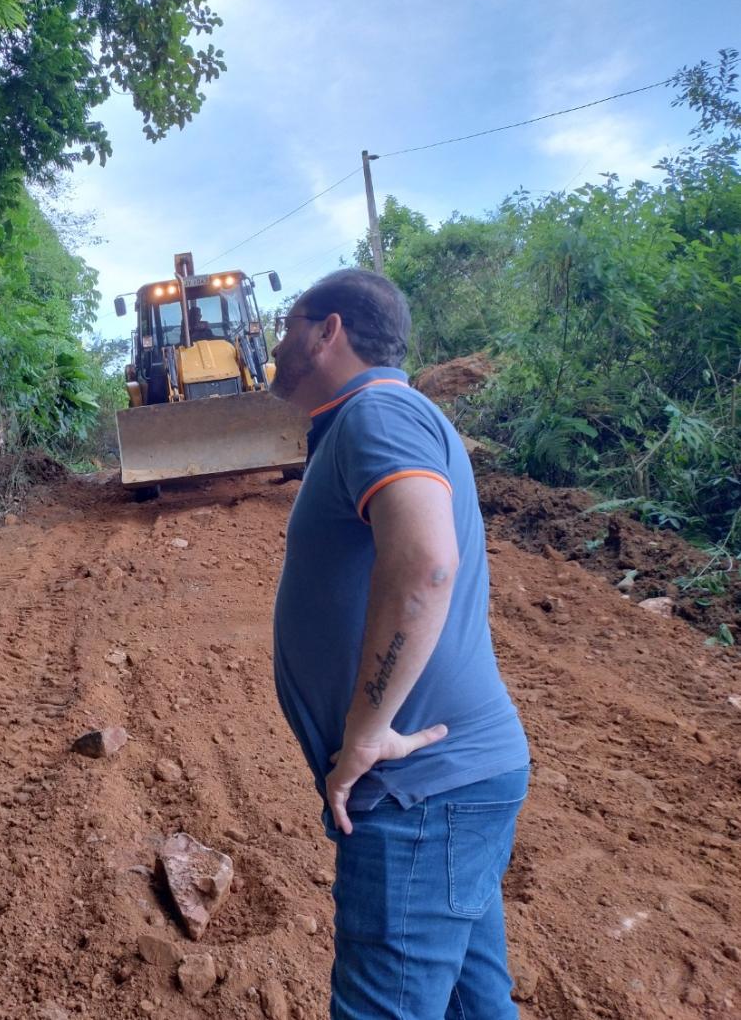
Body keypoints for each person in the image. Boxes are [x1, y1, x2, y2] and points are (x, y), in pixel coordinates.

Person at [267, 269, 530, 1019]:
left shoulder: (377, 412)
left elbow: (424, 566)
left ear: (329, 332)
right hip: (448, 789)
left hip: (423, 793)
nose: (277, 344)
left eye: (290, 327)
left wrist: (367, 731)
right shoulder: (369, 420)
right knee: (473, 1006)